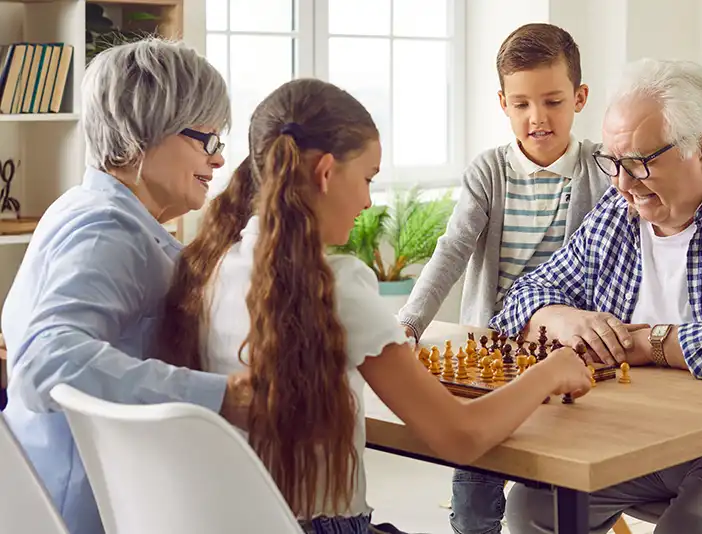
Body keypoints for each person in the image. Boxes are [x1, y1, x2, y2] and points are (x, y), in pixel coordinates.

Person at [394, 23, 702, 534]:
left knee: (696, 525)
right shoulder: (620, 207)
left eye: (640, 163)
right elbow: (522, 295)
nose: (623, 183)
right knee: (528, 510)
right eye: (614, 162)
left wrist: (653, 343)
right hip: (634, 436)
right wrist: (560, 318)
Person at [157, 77, 593, 534]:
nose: (367, 200)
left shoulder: (208, 264)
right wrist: (551, 370)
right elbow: (461, 436)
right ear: (326, 173)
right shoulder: (334, 284)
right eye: (366, 179)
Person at [0, 39, 253, 534]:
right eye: (206, 139)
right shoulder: (108, 231)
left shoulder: (87, 209)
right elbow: (45, 361)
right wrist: (220, 395)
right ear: (144, 134)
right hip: (83, 512)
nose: (218, 160)